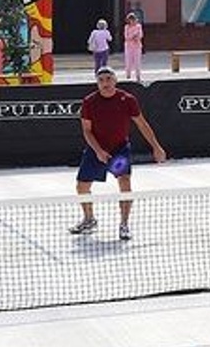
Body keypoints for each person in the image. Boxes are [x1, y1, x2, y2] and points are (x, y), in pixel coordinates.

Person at [70, 65, 167, 239]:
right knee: (82, 186)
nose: (105, 83)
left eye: (108, 79)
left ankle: (124, 224)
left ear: (115, 80)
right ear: (97, 83)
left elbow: (142, 124)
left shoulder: (127, 99)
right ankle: (89, 219)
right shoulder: (89, 102)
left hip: (119, 150)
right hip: (96, 149)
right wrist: (98, 151)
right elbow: (87, 130)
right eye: (101, 80)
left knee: (125, 183)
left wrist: (156, 146)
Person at [122, 11, 144, 82]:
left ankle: (138, 76)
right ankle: (128, 74)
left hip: (137, 45)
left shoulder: (138, 26)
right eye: (130, 20)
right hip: (129, 46)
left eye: (133, 19)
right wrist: (133, 36)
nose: (132, 21)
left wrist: (136, 37)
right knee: (128, 61)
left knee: (137, 61)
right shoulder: (127, 27)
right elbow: (126, 36)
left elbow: (140, 35)